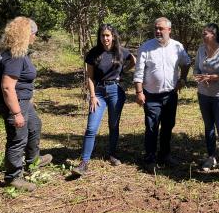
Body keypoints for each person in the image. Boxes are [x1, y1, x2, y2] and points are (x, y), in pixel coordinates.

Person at [0, 17, 52, 191]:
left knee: (34, 125)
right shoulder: (16, 55)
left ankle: (33, 160)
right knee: (17, 138)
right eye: (34, 33)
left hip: (21, 101)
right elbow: (7, 87)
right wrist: (16, 113)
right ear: (27, 34)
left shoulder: (6, 51)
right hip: (14, 103)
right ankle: (13, 177)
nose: (35, 37)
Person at [72, 24, 135, 176]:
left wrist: (124, 70)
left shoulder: (121, 51)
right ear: (99, 37)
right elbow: (90, 77)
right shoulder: (93, 54)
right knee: (91, 128)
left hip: (115, 91)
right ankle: (84, 162)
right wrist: (92, 96)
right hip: (98, 93)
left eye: (108, 35)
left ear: (113, 36)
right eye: (102, 35)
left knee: (113, 125)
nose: (105, 38)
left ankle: (112, 154)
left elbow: (133, 60)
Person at [133, 17, 191, 171]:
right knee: (152, 127)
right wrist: (139, 92)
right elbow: (138, 72)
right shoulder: (146, 47)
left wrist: (183, 79)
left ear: (169, 30)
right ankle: (150, 158)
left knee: (168, 126)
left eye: (161, 29)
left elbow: (186, 62)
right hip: (151, 95)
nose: (158, 31)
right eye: (156, 28)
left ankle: (165, 155)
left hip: (170, 95)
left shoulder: (177, 47)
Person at [194, 23, 219, 174]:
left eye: (206, 33)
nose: (203, 36)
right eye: (203, 34)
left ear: (214, 35)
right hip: (203, 95)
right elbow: (196, 70)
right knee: (208, 128)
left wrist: (213, 77)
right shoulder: (200, 50)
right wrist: (200, 77)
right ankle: (211, 157)